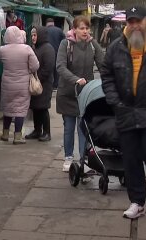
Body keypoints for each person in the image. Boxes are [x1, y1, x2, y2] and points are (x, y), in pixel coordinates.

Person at [100, 6, 146, 219]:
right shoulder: (116, 47)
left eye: (139, 21)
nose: (135, 25)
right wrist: (115, 101)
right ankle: (137, 202)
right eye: (131, 21)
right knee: (131, 160)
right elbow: (106, 74)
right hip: (125, 112)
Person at [56, 15, 104, 172]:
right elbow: (60, 67)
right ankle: (68, 158)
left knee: (84, 128)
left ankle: (83, 159)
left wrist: (110, 82)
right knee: (69, 127)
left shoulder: (92, 45)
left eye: (87, 28)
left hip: (86, 94)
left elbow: (103, 66)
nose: (85, 31)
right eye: (81, 28)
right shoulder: (66, 44)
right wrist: (76, 79)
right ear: (74, 29)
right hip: (68, 93)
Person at [0, 26, 39, 144]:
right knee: (20, 109)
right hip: (22, 84)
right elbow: (35, 66)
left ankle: (5, 133)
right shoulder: (27, 49)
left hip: (7, 84)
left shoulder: (2, 49)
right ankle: (17, 136)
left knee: (8, 108)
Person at [25, 26, 55, 142]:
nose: (33, 37)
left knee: (43, 108)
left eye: (35, 35)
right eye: (32, 35)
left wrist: (38, 79)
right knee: (36, 107)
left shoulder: (48, 49)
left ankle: (47, 132)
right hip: (35, 82)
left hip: (44, 83)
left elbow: (48, 68)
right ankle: (37, 130)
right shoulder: (35, 48)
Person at [45, 18, 65, 90]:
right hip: (57, 51)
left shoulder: (44, 30)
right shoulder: (59, 30)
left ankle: (49, 84)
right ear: (53, 23)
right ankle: (56, 85)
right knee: (57, 68)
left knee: (48, 68)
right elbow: (64, 41)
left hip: (47, 52)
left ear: (46, 23)